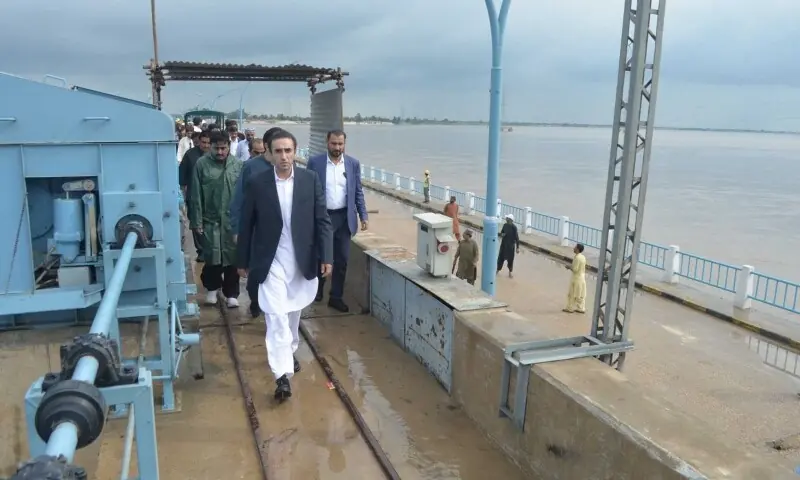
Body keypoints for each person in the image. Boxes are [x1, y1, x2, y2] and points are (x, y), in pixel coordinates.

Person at [236, 129, 333, 401]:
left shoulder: (309, 180)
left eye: (288, 150)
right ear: (267, 153)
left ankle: (289, 350)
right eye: (277, 151)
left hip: (301, 259)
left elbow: (322, 220)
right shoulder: (257, 183)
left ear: (295, 151)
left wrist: (327, 256)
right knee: (275, 315)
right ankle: (282, 375)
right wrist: (242, 260)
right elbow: (247, 224)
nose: (284, 156)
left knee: (292, 313)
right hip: (271, 261)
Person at [306, 130, 369, 312]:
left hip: (344, 218)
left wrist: (363, 215)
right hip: (323, 218)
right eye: (334, 144)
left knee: (342, 260)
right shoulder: (315, 163)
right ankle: (317, 290)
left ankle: (336, 296)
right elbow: (307, 191)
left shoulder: (352, 164)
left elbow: (357, 191)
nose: (337, 148)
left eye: (340, 144)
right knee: (320, 256)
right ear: (327, 143)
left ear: (344, 144)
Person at [230, 127, 286, 318]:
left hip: (281, 232)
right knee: (256, 270)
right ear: (267, 147)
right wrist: (237, 229)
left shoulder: (289, 169)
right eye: (277, 149)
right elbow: (238, 200)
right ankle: (256, 301)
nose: (283, 154)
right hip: (255, 230)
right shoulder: (251, 167)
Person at [188, 131, 243, 308]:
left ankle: (231, 293)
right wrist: (196, 221)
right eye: (216, 148)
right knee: (212, 256)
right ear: (210, 147)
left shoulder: (238, 165)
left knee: (232, 258)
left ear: (229, 147)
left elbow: (245, 195)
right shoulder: (201, 165)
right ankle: (212, 288)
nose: (220, 152)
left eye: (223, 148)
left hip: (232, 221)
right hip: (210, 220)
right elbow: (195, 194)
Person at [179, 130, 211, 262]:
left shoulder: (217, 155)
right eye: (203, 142)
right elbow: (182, 176)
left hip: (211, 196)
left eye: (209, 143)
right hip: (193, 195)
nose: (206, 146)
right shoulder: (190, 155)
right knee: (195, 223)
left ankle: (211, 249)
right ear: (199, 141)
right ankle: (201, 251)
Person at [563, 243, 587, 314]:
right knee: (581, 294)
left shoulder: (577, 258)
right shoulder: (583, 257)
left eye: (575, 247)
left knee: (572, 293)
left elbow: (575, 269)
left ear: (578, 249)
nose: (573, 248)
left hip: (576, 277)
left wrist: (569, 267)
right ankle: (581, 308)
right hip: (582, 277)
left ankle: (569, 308)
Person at [497, 214, 520, 278]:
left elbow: (517, 238)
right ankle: (497, 270)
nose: (506, 219)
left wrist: (517, 248)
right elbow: (501, 233)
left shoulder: (514, 228)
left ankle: (510, 272)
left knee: (510, 260)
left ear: (510, 220)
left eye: (507, 218)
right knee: (500, 259)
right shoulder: (505, 225)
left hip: (511, 247)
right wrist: (502, 234)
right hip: (504, 245)